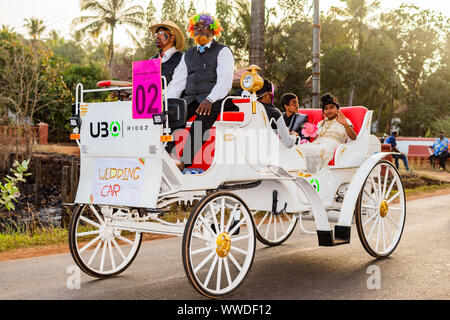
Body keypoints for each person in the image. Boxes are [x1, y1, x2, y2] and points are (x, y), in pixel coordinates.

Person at [167, 13, 237, 170]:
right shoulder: (188, 54)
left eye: (204, 27)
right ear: (192, 32)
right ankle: (169, 155)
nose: (200, 31)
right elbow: (178, 82)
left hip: (216, 98)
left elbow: (224, 83)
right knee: (172, 112)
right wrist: (168, 102)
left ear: (213, 30)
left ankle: (184, 162)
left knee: (203, 116)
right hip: (192, 97)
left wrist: (210, 99)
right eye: (196, 28)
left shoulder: (223, 51)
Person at [298, 93, 356, 172]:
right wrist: (310, 132)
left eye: (331, 107)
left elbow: (354, 137)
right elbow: (315, 138)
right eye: (326, 108)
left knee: (319, 151)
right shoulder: (321, 123)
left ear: (337, 109)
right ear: (323, 111)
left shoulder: (344, 120)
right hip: (317, 144)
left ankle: (314, 176)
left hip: (332, 145)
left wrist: (345, 124)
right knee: (299, 149)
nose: (329, 110)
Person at [149, 20, 185, 85]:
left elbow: (179, 86)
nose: (157, 36)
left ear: (172, 38)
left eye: (161, 32)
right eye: (156, 34)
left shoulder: (182, 58)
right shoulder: (152, 60)